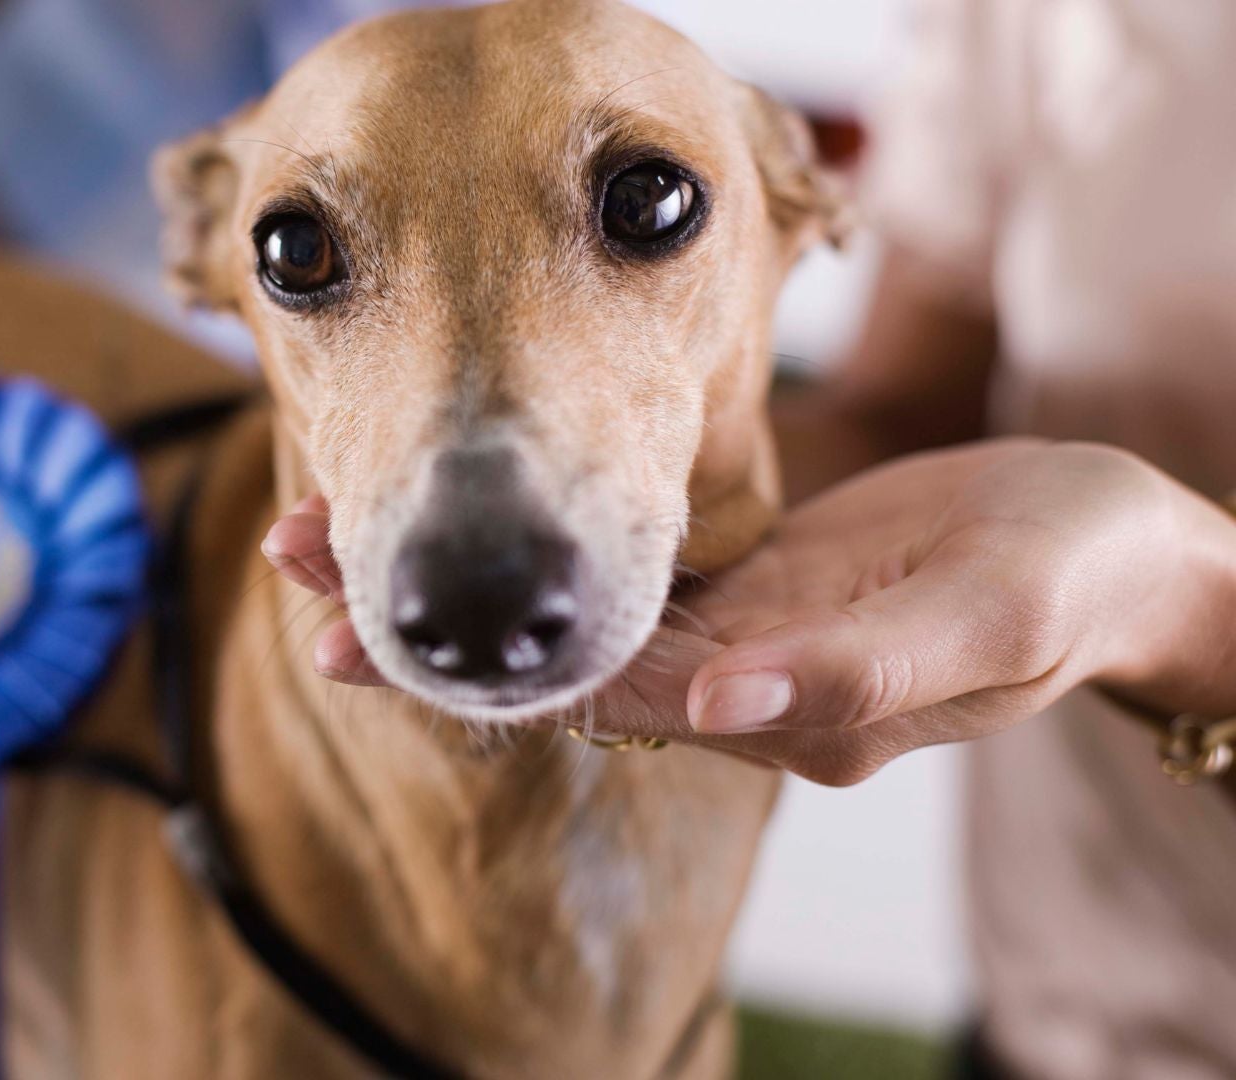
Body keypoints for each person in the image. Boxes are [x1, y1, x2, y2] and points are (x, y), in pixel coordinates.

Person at [263, 1, 1236, 1077]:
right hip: (1077, 1010)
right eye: (302, 253)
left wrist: (1189, 616)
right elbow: (903, 419)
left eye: (645, 204)